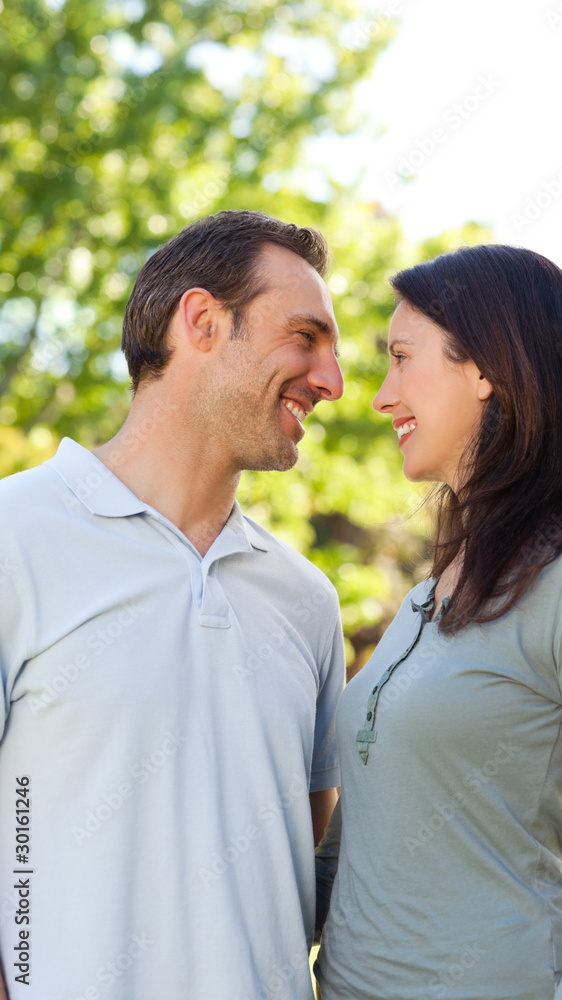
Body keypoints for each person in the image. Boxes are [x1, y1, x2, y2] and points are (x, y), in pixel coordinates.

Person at [0, 210, 346, 999]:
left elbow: (308, 848)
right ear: (201, 321)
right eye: (306, 336)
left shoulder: (306, 601)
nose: (332, 380)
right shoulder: (13, 537)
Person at [314, 244, 562, 1000]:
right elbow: (348, 859)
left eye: (402, 358)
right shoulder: (422, 601)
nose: (381, 394)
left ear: (485, 370)